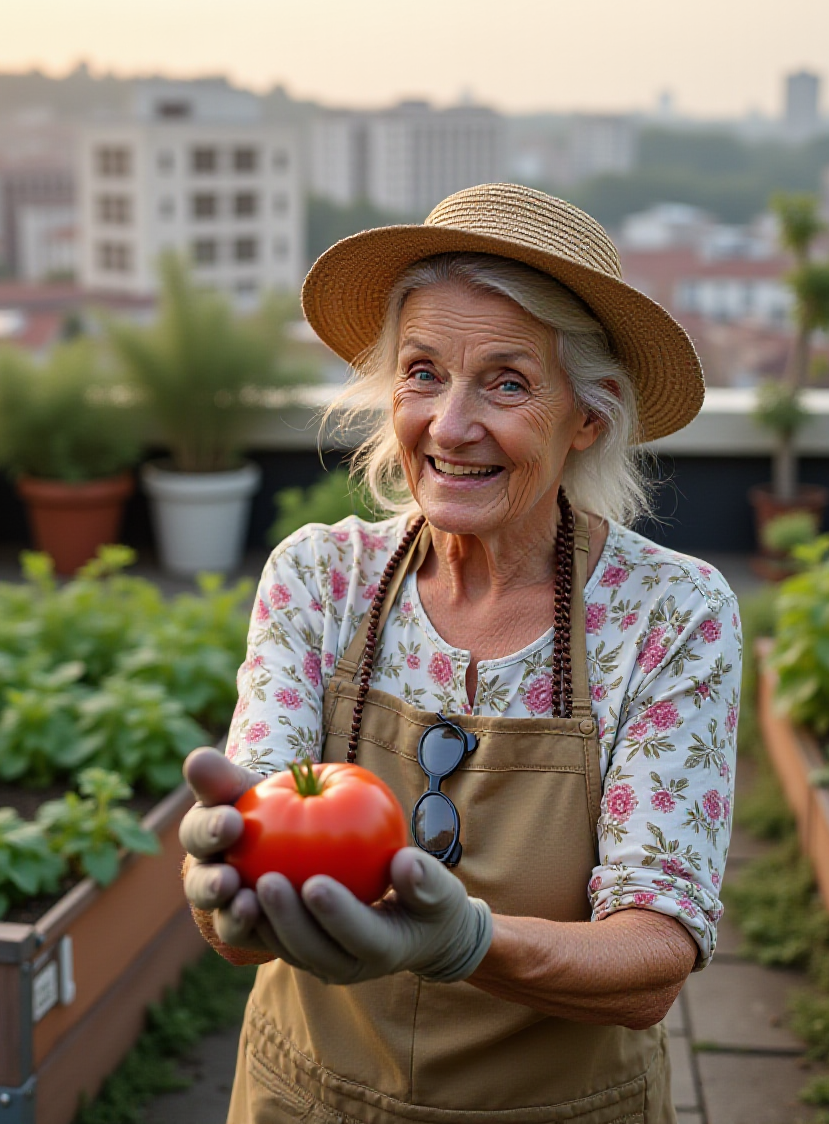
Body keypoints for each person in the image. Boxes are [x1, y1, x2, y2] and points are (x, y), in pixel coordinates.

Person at [180, 183, 741, 1124]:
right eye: (423, 371)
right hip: (305, 1094)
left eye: (509, 382)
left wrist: (463, 942)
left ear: (588, 417)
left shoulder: (668, 614)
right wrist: (222, 886)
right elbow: (246, 905)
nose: (449, 425)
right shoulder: (320, 579)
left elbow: (651, 963)